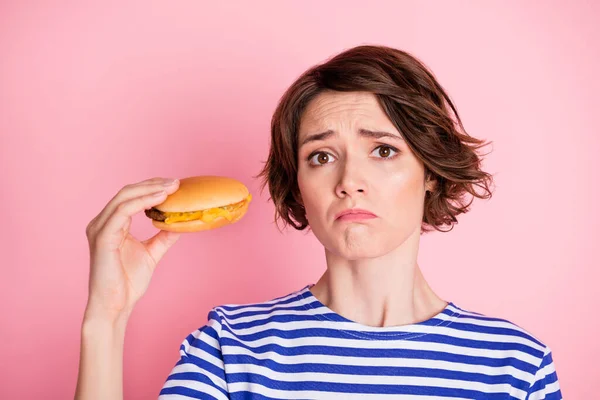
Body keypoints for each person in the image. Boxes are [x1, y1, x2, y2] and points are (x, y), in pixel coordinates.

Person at [75, 45, 562, 399]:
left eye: (384, 150)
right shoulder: (231, 348)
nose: (350, 180)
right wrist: (106, 318)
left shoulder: (514, 364)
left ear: (430, 172)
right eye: (322, 156)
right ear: (300, 188)